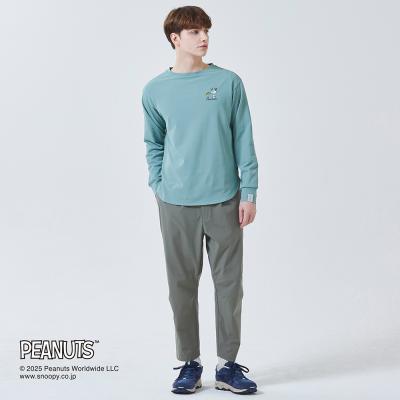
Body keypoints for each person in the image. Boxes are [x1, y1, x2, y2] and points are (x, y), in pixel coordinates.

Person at [141, 5, 258, 395]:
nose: (204, 37)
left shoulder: (228, 83)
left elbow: (244, 139)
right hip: (175, 203)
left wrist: (249, 191)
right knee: (181, 286)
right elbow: (153, 143)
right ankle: (189, 363)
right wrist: (158, 185)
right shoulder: (155, 90)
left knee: (230, 286)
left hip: (225, 199)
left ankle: (228, 367)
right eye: (194, 32)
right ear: (175, 39)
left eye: (206, 30)